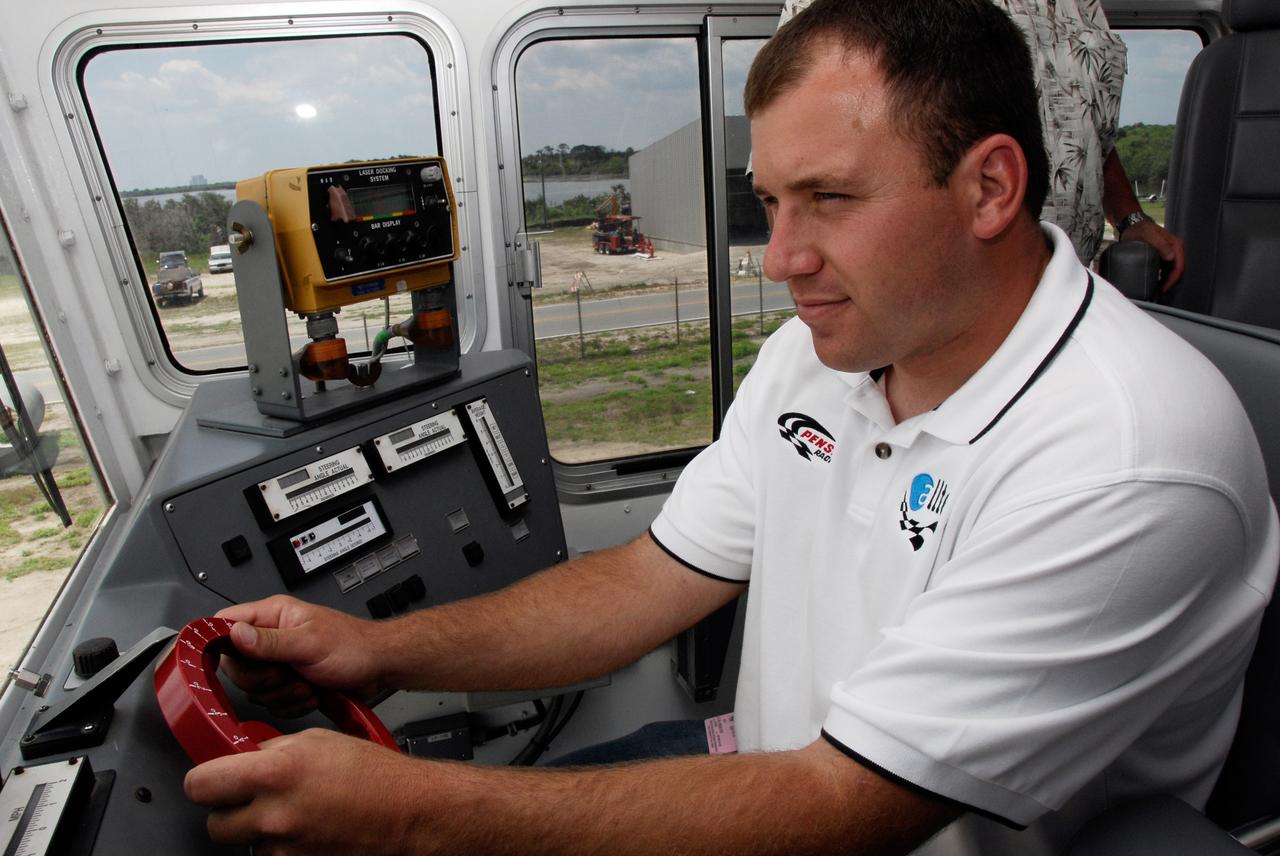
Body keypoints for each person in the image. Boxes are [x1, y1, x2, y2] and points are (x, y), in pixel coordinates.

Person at [184, 1, 1277, 853]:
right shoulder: (825, 351)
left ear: (987, 186)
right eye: (768, 201)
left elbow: (842, 809)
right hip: (771, 766)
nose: (779, 257)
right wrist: (382, 651)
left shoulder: (1126, 457)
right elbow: (647, 581)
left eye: (830, 199)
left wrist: (415, 816)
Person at [777, 0, 1188, 290]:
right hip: (926, 307)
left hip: (1061, 287)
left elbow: (1093, 131)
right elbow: (797, 159)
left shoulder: (1079, 7)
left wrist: (1131, 218)